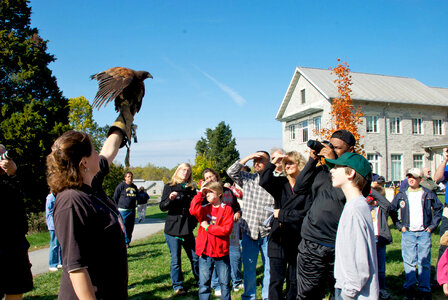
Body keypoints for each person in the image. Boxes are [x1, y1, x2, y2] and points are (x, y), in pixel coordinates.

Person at [47, 99, 133, 300]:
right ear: (84, 162)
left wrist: (123, 120)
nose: (99, 154)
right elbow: (76, 268)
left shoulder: (90, 187)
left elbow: (109, 151)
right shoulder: (71, 201)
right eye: (94, 150)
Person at [295, 129, 370, 299]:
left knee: (339, 293)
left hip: (338, 244)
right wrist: (312, 160)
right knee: (308, 294)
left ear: (350, 150)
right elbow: (299, 188)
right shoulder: (323, 171)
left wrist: (333, 161)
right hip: (312, 242)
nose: (332, 150)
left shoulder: (356, 173)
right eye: (330, 146)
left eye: (337, 148)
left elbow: (344, 195)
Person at [325, 152, 379, 299]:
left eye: (336, 167)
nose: (331, 170)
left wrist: (347, 294)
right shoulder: (355, 205)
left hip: (351, 293)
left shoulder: (355, 209)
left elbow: (359, 262)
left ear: (351, 173)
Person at [259, 150, 311, 300]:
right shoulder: (281, 184)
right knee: (275, 280)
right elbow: (264, 181)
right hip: (278, 238)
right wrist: (274, 162)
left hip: (297, 237)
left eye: (290, 162)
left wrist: (281, 214)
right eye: (285, 163)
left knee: (294, 279)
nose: (287, 166)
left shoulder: (306, 188)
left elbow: (305, 213)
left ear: (299, 164)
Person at [227, 151, 275, 300]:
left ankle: (267, 296)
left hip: (268, 232)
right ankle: (249, 296)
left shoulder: (275, 181)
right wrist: (248, 157)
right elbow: (231, 171)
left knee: (269, 268)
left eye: (261, 160)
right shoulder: (248, 179)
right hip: (250, 232)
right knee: (249, 268)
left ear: (269, 163)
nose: (257, 163)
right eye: (255, 161)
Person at [390, 168, 442, 300]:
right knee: (409, 261)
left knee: (424, 261)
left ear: (420, 180)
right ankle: (410, 288)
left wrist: (431, 227)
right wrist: (399, 225)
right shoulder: (402, 194)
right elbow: (392, 210)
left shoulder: (428, 194)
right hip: (408, 233)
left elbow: (438, 208)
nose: (411, 179)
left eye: (414, 177)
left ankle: (424, 290)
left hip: (424, 233)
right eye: (409, 176)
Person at [190, 181, 234, 300]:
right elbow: (193, 210)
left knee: (224, 283)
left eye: (210, 192)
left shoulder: (227, 210)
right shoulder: (204, 209)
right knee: (204, 284)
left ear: (219, 194)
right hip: (205, 253)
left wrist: (208, 227)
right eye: (206, 192)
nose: (207, 195)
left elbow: (226, 230)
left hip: (221, 253)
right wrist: (200, 193)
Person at [159, 163, 199, 295]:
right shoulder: (169, 187)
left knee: (195, 257)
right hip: (173, 228)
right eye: (183, 169)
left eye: (188, 171)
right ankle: (178, 285)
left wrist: (193, 223)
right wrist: (170, 199)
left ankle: (201, 281)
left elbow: (195, 208)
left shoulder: (191, 188)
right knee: (176, 260)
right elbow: (163, 207)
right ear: (178, 171)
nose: (185, 172)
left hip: (187, 227)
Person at [202, 168, 243, 295]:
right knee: (215, 255)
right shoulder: (206, 195)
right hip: (214, 229)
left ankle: (236, 280)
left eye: (211, 176)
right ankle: (216, 284)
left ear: (216, 176)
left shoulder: (228, 192)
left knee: (234, 253)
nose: (210, 179)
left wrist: (237, 212)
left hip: (230, 227)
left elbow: (236, 206)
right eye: (207, 177)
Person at [0, 144, 33, 300]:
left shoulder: (13, 178)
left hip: (15, 244)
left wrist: (13, 174)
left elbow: (24, 196)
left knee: (16, 288)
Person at [366, 182, 393, 299]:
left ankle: (381, 289)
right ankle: (370, 289)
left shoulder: (382, 209)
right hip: (368, 239)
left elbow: (387, 204)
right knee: (368, 266)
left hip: (379, 238)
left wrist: (374, 193)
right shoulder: (366, 206)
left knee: (380, 268)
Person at [114, 172, 138, 246]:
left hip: (132, 210)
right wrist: (117, 206)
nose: (130, 178)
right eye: (128, 176)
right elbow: (115, 196)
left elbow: (137, 196)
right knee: (123, 226)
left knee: (130, 227)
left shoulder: (134, 187)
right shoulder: (121, 186)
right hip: (123, 210)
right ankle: (125, 242)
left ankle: (128, 241)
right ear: (125, 178)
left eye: (131, 177)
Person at [45, 192, 62, 272]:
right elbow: (50, 213)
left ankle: (60, 262)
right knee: (54, 245)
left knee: (60, 244)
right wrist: (55, 224)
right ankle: (52, 264)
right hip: (53, 225)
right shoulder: (50, 198)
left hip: (58, 224)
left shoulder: (57, 196)